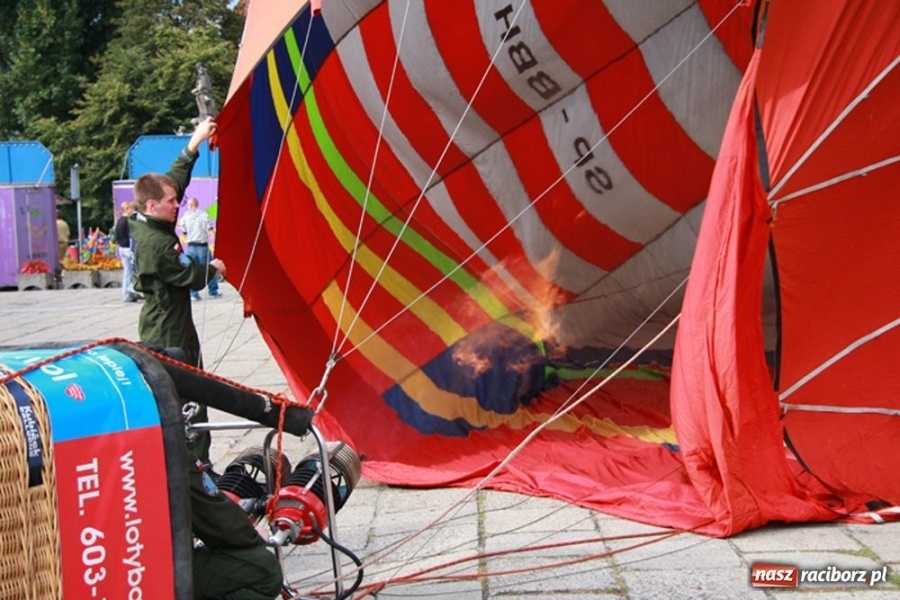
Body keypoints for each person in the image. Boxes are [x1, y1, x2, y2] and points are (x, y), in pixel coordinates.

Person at [131, 117, 224, 461]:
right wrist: (212, 268)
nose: (178, 205)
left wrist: (195, 142)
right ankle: (196, 465)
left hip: (170, 318)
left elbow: (175, 182)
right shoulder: (156, 244)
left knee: (188, 387)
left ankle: (193, 461)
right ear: (152, 205)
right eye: (171, 202)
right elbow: (191, 277)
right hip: (169, 326)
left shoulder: (151, 218)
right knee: (188, 394)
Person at [178, 197, 220, 300]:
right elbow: (210, 229)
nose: (187, 207)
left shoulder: (185, 217)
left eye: (188, 205)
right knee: (209, 268)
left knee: (191, 270)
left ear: (191, 205)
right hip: (202, 246)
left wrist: (187, 233)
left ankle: (194, 294)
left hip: (191, 246)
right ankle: (213, 291)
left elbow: (182, 228)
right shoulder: (204, 215)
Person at [114, 202, 140, 302]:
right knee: (137, 270)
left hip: (121, 248)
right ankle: (132, 289)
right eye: (132, 209)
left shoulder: (120, 221)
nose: (133, 211)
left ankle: (126, 296)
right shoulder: (128, 222)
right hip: (128, 249)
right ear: (127, 209)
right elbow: (132, 236)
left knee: (127, 273)